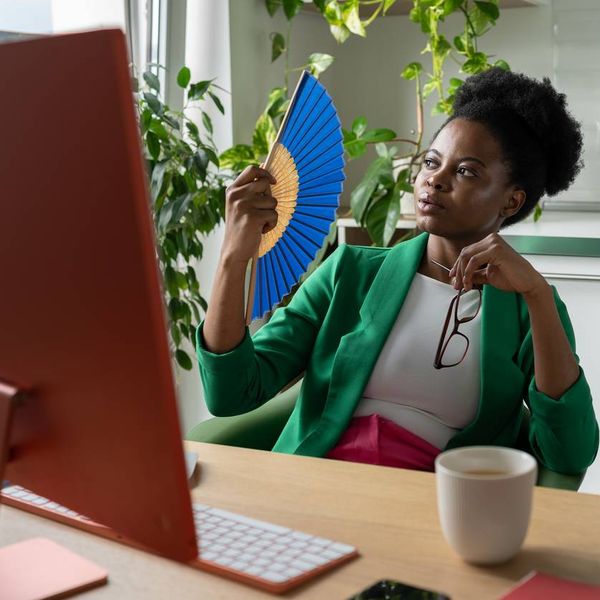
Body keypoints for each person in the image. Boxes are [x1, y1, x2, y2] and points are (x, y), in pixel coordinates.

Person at [196, 68, 598, 475]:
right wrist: (234, 254)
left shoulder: (526, 306)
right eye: (431, 162)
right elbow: (231, 394)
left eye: (466, 171)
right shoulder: (349, 272)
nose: (434, 181)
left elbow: (569, 453)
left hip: (430, 505)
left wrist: (538, 296)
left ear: (511, 201)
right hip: (313, 482)